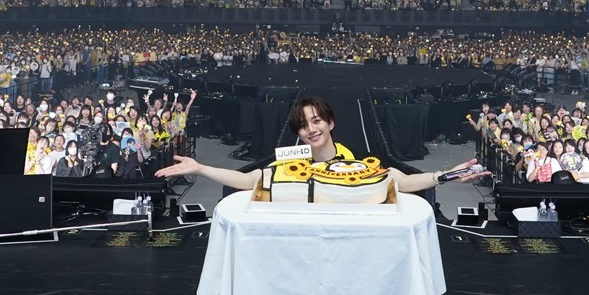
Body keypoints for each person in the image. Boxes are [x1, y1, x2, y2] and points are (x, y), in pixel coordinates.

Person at [156, 95, 488, 192]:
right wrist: (199, 168)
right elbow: (248, 180)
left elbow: (400, 181)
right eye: (303, 125)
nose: (311, 129)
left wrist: (447, 175)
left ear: (330, 123)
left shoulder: (353, 159)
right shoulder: (291, 158)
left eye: (316, 121)